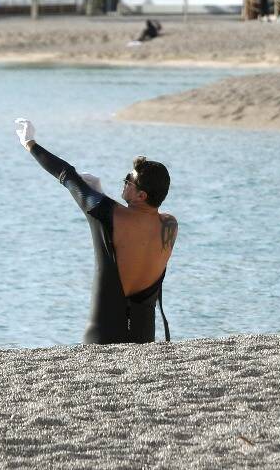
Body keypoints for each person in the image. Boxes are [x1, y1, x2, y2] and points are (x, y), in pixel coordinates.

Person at [14, 119, 177, 344]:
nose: (124, 182)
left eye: (128, 180)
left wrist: (29, 143)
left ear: (142, 195)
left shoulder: (105, 213)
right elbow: (136, 231)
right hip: (144, 338)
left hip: (102, 336)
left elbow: (66, 174)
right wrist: (102, 196)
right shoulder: (170, 225)